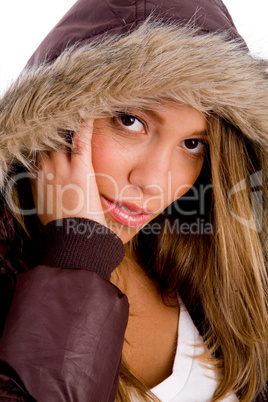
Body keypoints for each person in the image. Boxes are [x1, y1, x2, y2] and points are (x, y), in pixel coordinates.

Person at [0, 0, 267, 401]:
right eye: (131, 121)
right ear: (57, 117)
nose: (154, 182)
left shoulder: (213, 259)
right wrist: (78, 256)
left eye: (192, 144)